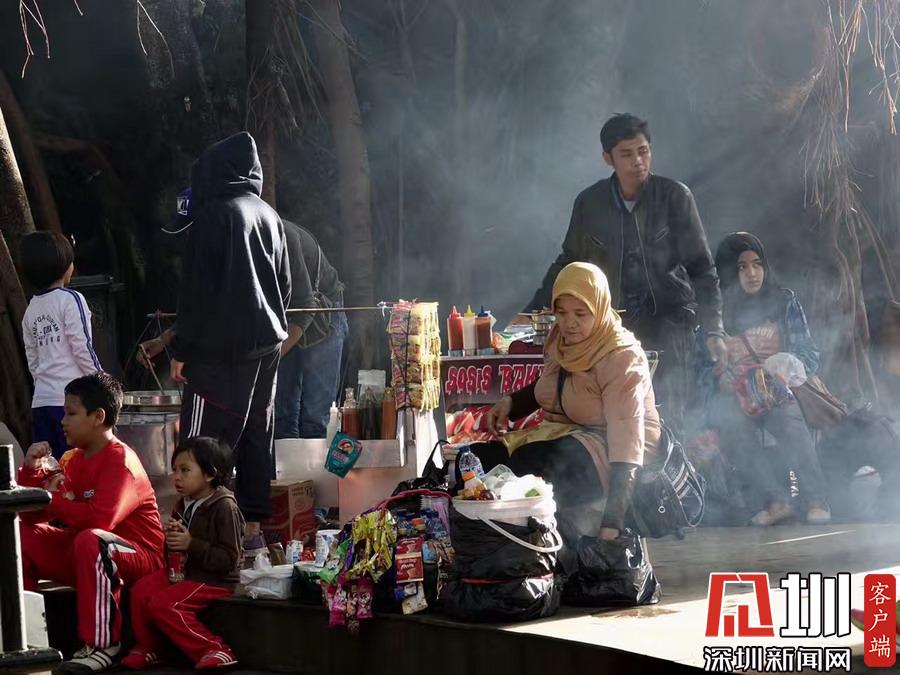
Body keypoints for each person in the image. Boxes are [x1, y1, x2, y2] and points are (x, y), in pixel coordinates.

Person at [520, 113, 725, 431]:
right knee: (615, 418)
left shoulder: (674, 197)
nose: (638, 161)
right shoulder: (590, 203)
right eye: (626, 154)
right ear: (608, 158)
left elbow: (702, 270)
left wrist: (714, 330)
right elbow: (569, 262)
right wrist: (530, 312)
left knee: (670, 419)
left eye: (643, 151)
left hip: (670, 325)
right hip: (612, 331)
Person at [141, 131, 291, 555]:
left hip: (219, 351)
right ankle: (252, 533)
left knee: (200, 442)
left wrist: (181, 350)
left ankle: (195, 538)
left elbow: (196, 293)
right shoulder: (268, 214)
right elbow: (285, 285)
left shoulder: (213, 216)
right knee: (256, 432)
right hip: (267, 346)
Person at [477, 262, 661, 542]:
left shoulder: (621, 356)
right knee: (483, 460)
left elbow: (628, 444)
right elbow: (553, 387)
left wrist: (612, 524)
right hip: (572, 434)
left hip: (614, 452)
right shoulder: (561, 340)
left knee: (530, 466)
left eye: (580, 313)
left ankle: (540, 545)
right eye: (561, 312)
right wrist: (511, 403)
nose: (569, 322)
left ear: (599, 308)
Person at [17, 373, 164, 672]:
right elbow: (33, 516)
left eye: (71, 413)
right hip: (89, 552)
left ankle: (101, 644)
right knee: (19, 536)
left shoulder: (121, 460)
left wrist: (52, 498)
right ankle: (24, 636)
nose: (62, 421)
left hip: (140, 557)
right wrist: (32, 472)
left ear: (98, 417)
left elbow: (101, 519)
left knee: (91, 539)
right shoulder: (73, 459)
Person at [701, 232, 830, 526]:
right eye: (742, 267)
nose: (752, 273)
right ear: (728, 272)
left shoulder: (783, 301)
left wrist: (785, 366)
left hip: (777, 387)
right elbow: (702, 369)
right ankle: (775, 502)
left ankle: (816, 499)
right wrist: (717, 379)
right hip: (735, 395)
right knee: (729, 424)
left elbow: (809, 352)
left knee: (787, 418)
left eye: (757, 264)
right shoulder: (714, 316)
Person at [122, 437, 244, 671]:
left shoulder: (224, 506)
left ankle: (214, 648)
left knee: (165, 605)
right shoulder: (184, 504)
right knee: (140, 591)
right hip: (187, 572)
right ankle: (150, 647)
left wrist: (191, 544)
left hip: (213, 579)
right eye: (175, 470)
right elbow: (174, 549)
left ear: (210, 474)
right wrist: (172, 538)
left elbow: (230, 559)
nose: (177, 477)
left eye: (185, 470)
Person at [20, 231, 101, 458]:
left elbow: (33, 361)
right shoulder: (71, 299)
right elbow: (82, 347)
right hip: (72, 405)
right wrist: (102, 382)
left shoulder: (30, 310)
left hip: (41, 404)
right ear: (66, 267)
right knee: (77, 466)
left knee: (50, 468)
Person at [274, 220, 347, 439]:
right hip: (283, 320)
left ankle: (316, 462)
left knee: (316, 418)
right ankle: (283, 461)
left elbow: (306, 309)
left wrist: (271, 357)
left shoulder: (285, 237)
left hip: (323, 315)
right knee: (281, 416)